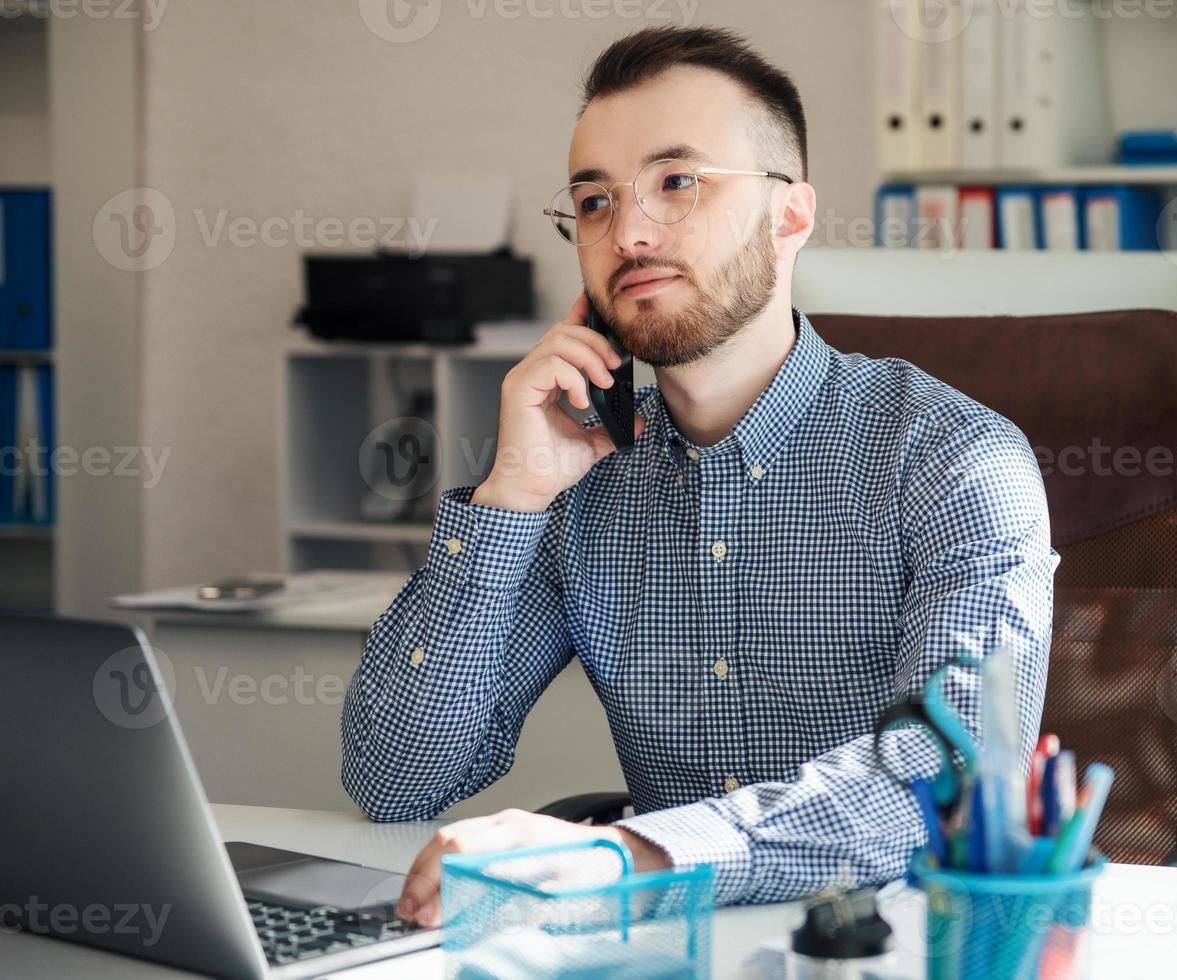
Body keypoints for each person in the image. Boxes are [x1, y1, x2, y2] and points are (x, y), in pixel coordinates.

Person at [340, 24, 1057, 929]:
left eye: (677, 183)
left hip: (899, 945)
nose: (629, 232)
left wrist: (630, 853)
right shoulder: (580, 478)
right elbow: (395, 776)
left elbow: (948, 778)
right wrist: (508, 500)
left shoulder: (955, 458)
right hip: (657, 945)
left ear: (789, 215)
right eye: (594, 201)